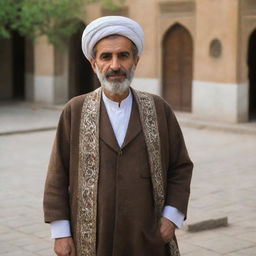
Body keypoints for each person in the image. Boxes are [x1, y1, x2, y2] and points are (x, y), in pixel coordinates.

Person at [43, 16, 193, 256]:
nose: (115, 65)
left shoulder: (158, 109)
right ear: (94, 63)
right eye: (106, 57)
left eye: (123, 55)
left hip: (148, 239)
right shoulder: (76, 110)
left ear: (136, 61)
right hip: (91, 240)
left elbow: (181, 167)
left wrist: (171, 218)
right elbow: (57, 174)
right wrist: (61, 233)